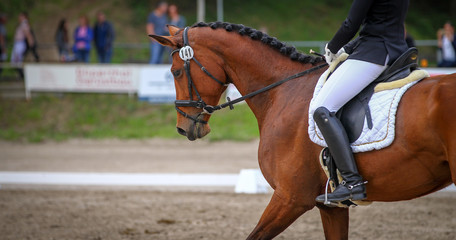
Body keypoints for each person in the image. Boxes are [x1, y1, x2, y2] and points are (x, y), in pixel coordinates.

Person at [310, 0, 409, 204]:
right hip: (395, 49)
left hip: (375, 54)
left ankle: (352, 182)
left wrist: (332, 47)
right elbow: (379, 24)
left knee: (322, 108)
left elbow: (351, 24)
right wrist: (347, 48)